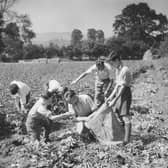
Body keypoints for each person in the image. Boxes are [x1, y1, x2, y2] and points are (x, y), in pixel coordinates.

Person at [105, 51, 132, 145]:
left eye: (112, 63)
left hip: (125, 93)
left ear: (117, 60)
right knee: (118, 113)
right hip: (119, 92)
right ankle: (123, 134)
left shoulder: (125, 70)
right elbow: (117, 85)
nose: (112, 66)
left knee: (125, 115)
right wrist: (111, 97)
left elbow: (123, 87)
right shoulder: (118, 70)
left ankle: (126, 140)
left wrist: (114, 100)